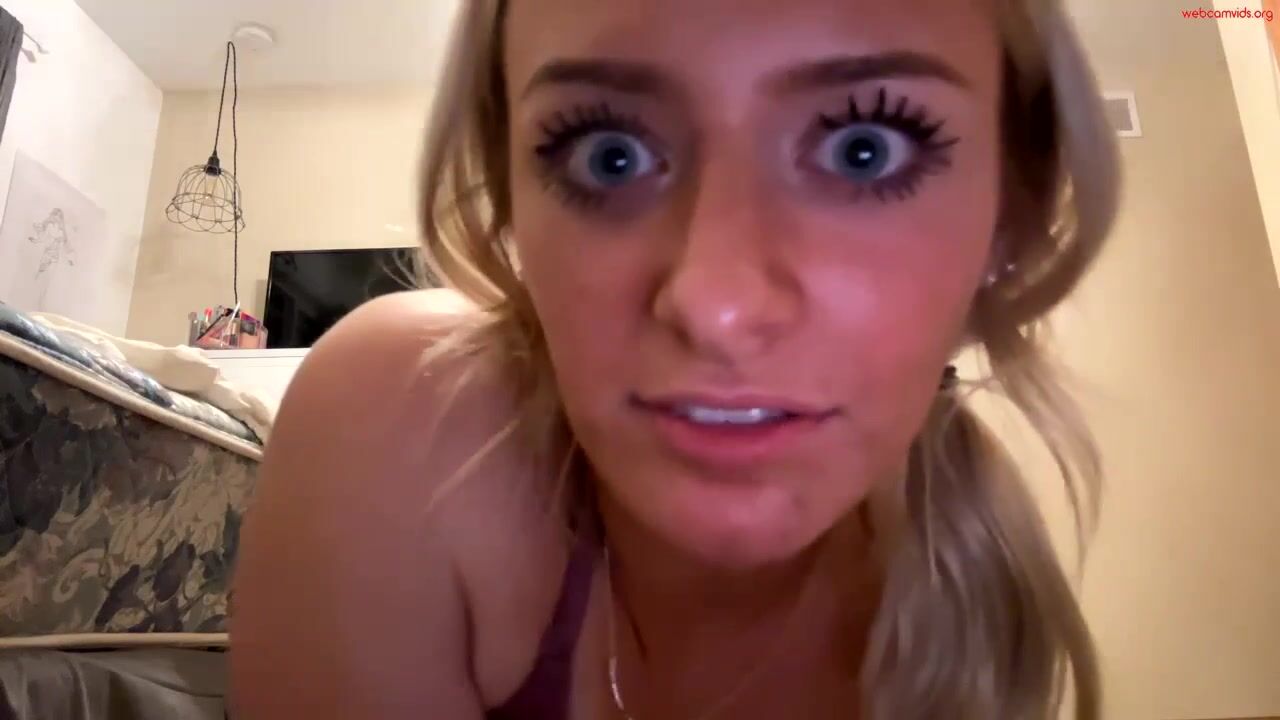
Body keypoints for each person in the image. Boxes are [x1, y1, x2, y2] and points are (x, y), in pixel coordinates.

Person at [230, 0, 1120, 717]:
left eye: (864, 150)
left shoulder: (985, 600)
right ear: (511, 201)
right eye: (610, 155)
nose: (715, 305)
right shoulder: (407, 422)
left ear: (1011, 214)